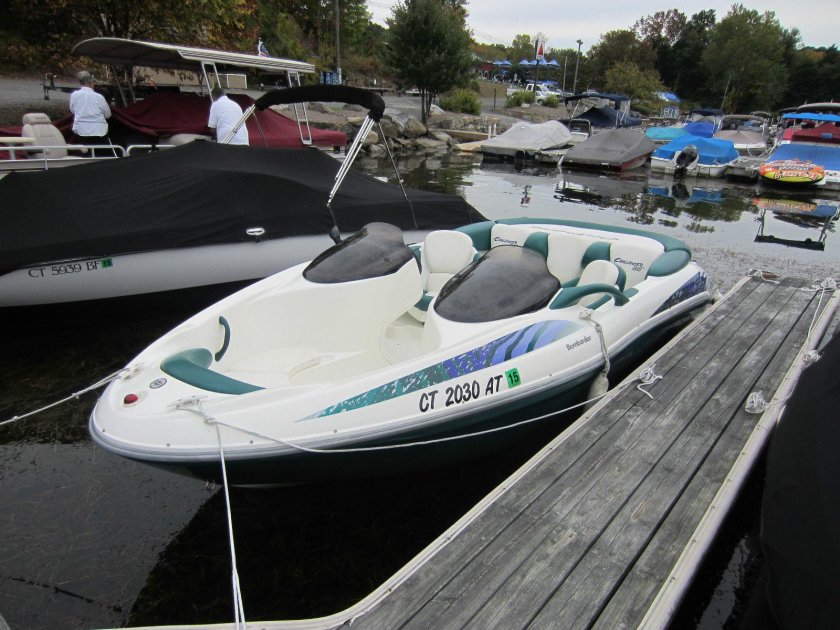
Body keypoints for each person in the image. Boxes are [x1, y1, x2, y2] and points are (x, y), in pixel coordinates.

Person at [69, 70, 113, 156]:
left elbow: (72, 110)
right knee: (101, 155)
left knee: (85, 153)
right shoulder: (99, 97)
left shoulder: (74, 95)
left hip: (81, 130)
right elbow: (108, 114)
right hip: (99, 130)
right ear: (91, 82)